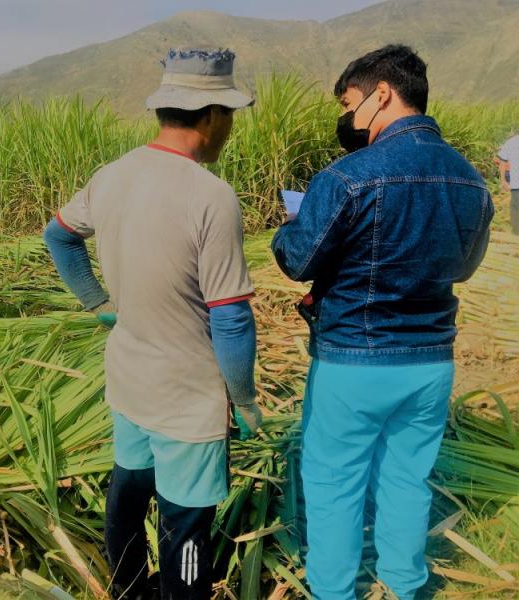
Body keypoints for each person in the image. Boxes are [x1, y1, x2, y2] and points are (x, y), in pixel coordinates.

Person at [271, 45, 493, 600]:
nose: (348, 118)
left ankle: (333, 590)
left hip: (354, 361)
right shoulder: (471, 181)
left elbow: (298, 259)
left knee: (333, 482)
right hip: (431, 362)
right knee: (407, 479)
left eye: (350, 104)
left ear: (382, 94)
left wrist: (289, 226)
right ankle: (404, 583)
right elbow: (462, 268)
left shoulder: (349, 176)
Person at [43, 48, 261, 600]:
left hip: (129, 376)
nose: (230, 128)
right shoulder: (211, 197)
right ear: (211, 116)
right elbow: (231, 318)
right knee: (186, 522)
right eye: (230, 115)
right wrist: (244, 397)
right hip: (187, 395)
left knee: (130, 486)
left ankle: (127, 589)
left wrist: (98, 305)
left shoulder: (113, 175)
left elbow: (59, 236)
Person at [496, 133, 519, 234]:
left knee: (515, 208)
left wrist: (503, 180)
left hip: (516, 182)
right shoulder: (511, 142)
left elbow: (502, 162)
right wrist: (503, 180)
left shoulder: (511, 142)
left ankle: (516, 232)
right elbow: (502, 162)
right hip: (516, 182)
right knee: (515, 207)